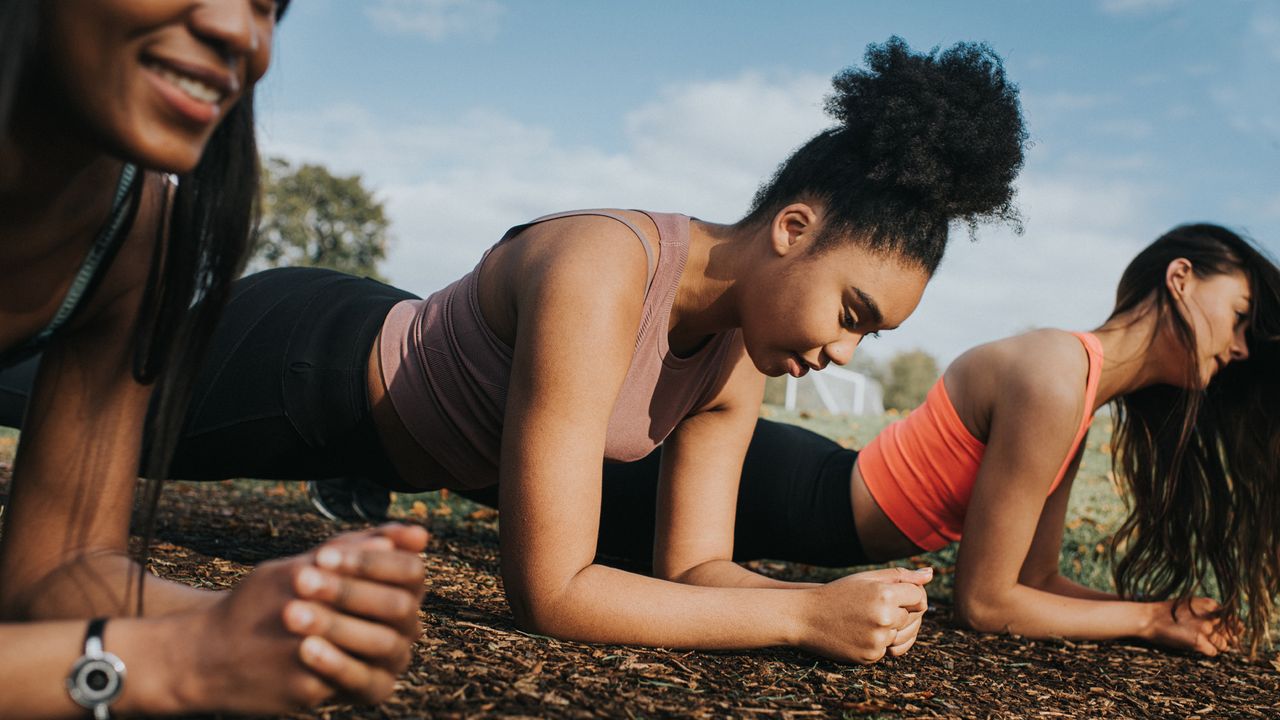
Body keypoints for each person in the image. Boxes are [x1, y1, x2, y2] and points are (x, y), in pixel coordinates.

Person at [3, 37, 1031, 664]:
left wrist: (823, 602)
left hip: (382, 425)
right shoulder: (603, 267)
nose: (847, 353)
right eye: (852, 312)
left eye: (872, 333)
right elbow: (552, 591)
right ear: (793, 228)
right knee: (25, 375)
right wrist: (801, 623)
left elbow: (695, 565)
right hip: (303, 366)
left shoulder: (736, 357)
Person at [474, 223, 1280, 657]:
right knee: (505, 458)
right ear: (1180, 278)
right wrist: (1147, 621)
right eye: (1241, 317)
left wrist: (1164, 613)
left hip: (809, 490)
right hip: (794, 490)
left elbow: (1035, 581)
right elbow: (990, 604)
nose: (1242, 347)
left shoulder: (1078, 392)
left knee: (530, 468)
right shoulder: (1053, 372)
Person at [0, 2, 427, 716]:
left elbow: (58, 568)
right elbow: (157, 665)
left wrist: (262, 620)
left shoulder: (135, 232)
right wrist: (163, 666)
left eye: (268, 4)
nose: (239, 30)